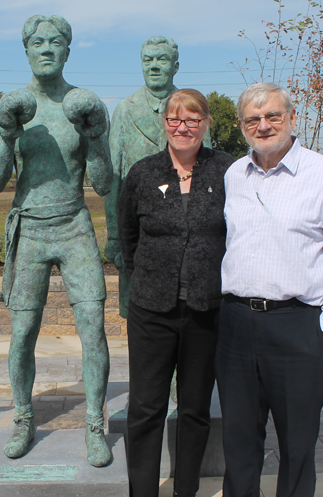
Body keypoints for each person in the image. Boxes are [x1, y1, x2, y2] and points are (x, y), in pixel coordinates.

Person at [204, 83, 323, 497]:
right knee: (238, 430)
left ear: (291, 117)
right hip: (236, 320)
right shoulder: (235, 174)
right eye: (253, 120)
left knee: (297, 438)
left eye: (273, 116)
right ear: (241, 126)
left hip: (298, 323)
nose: (264, 126)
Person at [0, 15, 113, 467]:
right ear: (25, 49)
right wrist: (5, 134)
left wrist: (96, 136)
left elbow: (102, 183)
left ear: (67, 51)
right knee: (21, 337)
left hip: (75, 225)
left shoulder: (82, 106)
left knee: (93, 332)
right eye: (37, 42)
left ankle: (95, 424)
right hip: (31, 230)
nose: (46, 49)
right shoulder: (15, 106)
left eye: (55, 42)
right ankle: (23, 419)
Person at [118, 89, 233, 497]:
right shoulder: (143, 174)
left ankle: (186, 491)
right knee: (146, 407)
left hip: (207, 308)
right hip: (152, 308)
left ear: (205, 123)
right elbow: (128, 235)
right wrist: (152, 276)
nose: (182, 126)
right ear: (165, 123)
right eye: (173, 119)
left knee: (195, 406)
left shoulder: (226, 170)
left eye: (191, 119)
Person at [105, 36, 211, 318]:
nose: (154, 67)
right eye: (147, 60)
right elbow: (114, 178)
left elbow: (210, 174)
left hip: (190, 237)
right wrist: (115, 237)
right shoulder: (125, 110)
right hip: (141, 236)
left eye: (161, 60)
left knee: (193, 320)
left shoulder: (194, 110)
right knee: (140, 321)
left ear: (175, 66)